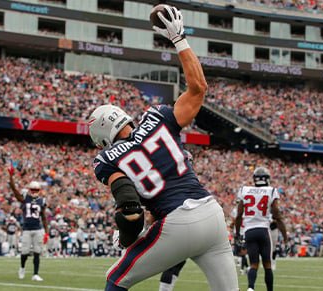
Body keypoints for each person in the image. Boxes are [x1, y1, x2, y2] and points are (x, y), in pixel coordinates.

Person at [88, 4, 238, 290]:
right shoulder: (158, 117)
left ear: (103, 136)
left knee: (116, 280)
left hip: (178, 222)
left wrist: (126, 237)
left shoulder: (107, 158)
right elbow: (198, 88)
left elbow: (130, 207)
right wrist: (179, 39)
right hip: (212, 215)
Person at [235, 166, 288, 291]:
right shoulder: (270, 191)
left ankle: (250, 288)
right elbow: (278, 216)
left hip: (249, 231)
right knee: (267, 265)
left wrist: (237, 233)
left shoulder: (244, 190)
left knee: (253, 264)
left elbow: (238, 215)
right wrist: (285, 236)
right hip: (263, 230)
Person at [158, 150, 193, 291]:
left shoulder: (180, 181)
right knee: (172, 262)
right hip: (174, 224)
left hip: (183, 224)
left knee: (179, 261)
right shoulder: (176, 181)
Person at [8, 164, 48, 281]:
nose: (35, 191)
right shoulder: (25, 198)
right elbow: (14, 190)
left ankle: (35, 274)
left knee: (37, 251)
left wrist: (46, 232)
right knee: (24, 252)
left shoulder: (42, 201)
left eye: (36, 190)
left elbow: (44, 217)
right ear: (30, 190)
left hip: (37, 228)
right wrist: (11, 177)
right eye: (33, 189)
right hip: (26, 228)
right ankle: (22, 268)